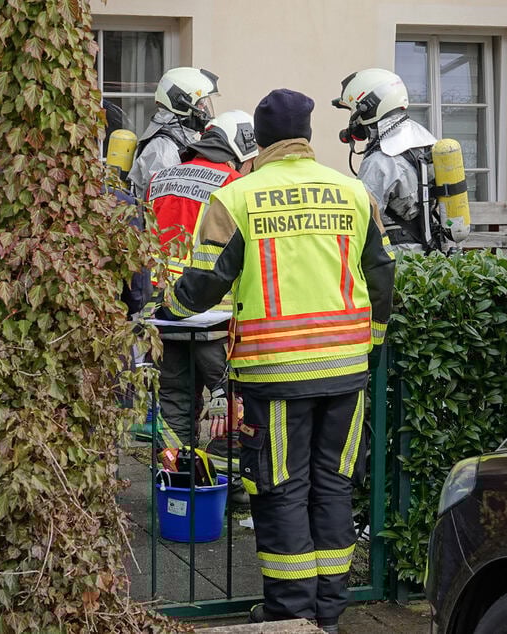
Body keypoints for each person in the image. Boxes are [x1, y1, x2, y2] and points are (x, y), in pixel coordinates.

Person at [155, 89, 396, 632]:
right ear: (307, 135)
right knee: (333, 484)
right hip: (346, 369)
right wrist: (372, 339)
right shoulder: (353, 192)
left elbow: (202, 283)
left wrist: (166, 306)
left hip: (275, 371)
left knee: (280, 489)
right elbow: (382, 274)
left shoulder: (239, 197)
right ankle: (328, 615)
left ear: (258, 141)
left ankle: (290, 617)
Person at [147, 110, 259, 461]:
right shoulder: (233, 185)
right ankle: (231, 491)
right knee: (239, 413)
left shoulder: (159, 179)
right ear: (240, 147)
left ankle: (178, 487)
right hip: (215, 322)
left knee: (173, 410)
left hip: (163, 318)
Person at [332, 68, 439, 254]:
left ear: (367, 109)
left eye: (353, 112)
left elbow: (362, 219)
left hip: (400, 257)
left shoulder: (381, 161)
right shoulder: (426, 141)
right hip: (430, 251)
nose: (352, 121)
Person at [127, 66, 220, 198]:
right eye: (201, 103)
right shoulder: (163, 149)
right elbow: (163, 202)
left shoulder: (181, 138)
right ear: (181, 103)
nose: (204, 109)